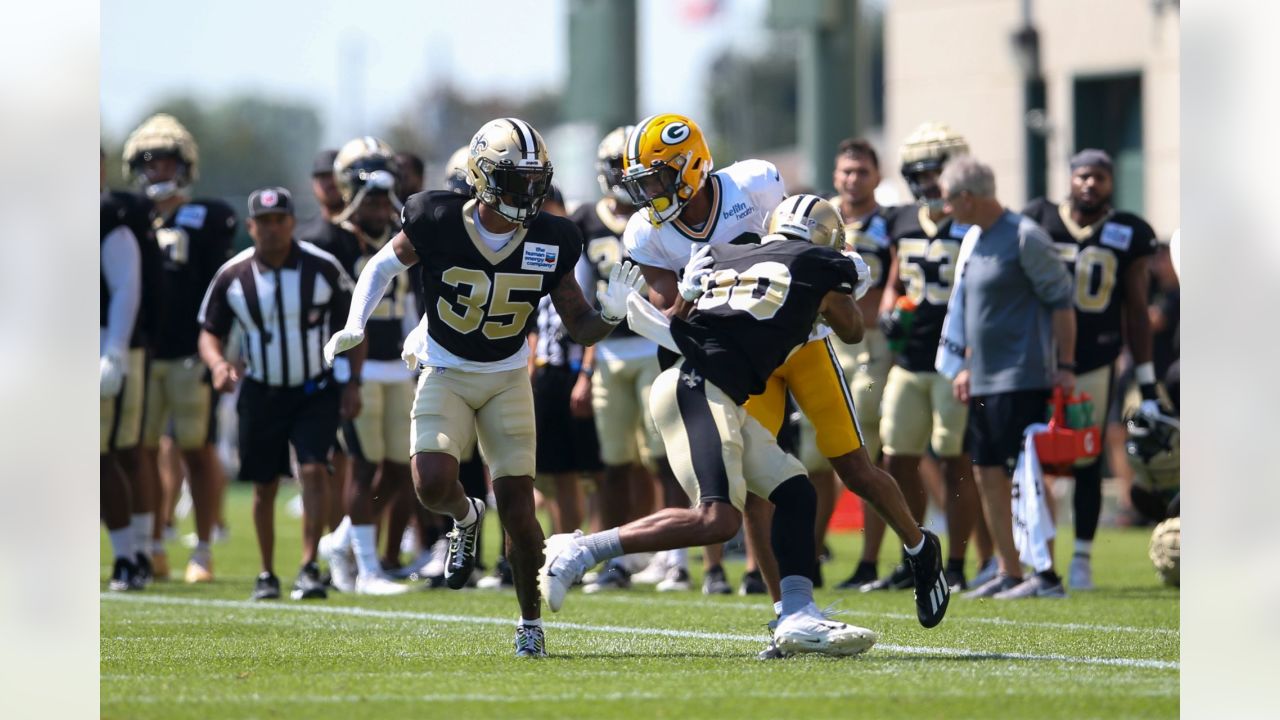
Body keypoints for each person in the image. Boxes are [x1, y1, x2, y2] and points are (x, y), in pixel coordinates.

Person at [540, 201, 949, 657]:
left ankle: (796, 613)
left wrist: (661, 303)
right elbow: (852, 315)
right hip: (697, 388)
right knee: (717, 518)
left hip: (704, 382)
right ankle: (579, 551)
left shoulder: (727, 255)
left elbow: (685, 331)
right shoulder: (818, 261)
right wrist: (846, 264)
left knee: (795, 490)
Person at [324, 118, 625, 657]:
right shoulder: (436, 217)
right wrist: (355, 323)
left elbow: (580, 324)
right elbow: (381, 266)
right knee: (431, 483)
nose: (528, 191)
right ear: (483, 177)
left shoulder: (553, 237)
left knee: (519, 510)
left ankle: (530, 625)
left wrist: (613, 315)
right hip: (446, 367)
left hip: (509, 375)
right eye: (516, 178)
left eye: (536, 179)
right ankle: (465, 518)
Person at [623, 114, 944, 610]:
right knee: (757, 488)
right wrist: (687, 292)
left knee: (855, 467)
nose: (650, 194)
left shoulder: (753, 185)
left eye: (658, 179)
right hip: (745, 360)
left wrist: (842, 261)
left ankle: (920, 546)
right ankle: (786, 612)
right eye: (643, 183)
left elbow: (808, 226)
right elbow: (670, 317)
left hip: (802, 340)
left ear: (689, 167)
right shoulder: (647, 233)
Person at [197, 186, 354, 602]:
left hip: (313, 388)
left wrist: (351, 383)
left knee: (315, 470)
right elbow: (210, 332)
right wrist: (218, 365)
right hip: (262, 390)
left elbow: (352, 330)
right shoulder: (233, 275)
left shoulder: (322, 268)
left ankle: (308, 566)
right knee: (264, 484)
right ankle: (266, 572)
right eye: (263, 222)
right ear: (250, 227)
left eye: (279, 220)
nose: (271, 229)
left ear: (292, 223)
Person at [1022, 149, 1160, 591]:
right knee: (1027, 459)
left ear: (1111, 182)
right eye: (1083, 175)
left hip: (1093, 363)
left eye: (1099, 177)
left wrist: (1145, 377)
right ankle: (1034, 556)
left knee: (1085, 457)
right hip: (1036, 361)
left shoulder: (1129, 232)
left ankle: (1080, 556)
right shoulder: (1038, 218)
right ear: (1069, 177)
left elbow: (1136, 310)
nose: (1090, 184)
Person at [941, 157, 1076, 600]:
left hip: (1024, 376)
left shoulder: (1024, 236)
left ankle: (1048, 573)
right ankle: (1010, 569)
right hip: (983, 379)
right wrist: (963, 365)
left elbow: (1061, 301)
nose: (944, 208)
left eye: (948, 199)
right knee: (986, 474)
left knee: (1028, 478)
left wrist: (1067, 366)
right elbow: (973, 312)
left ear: (967, 198)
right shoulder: (974, 239)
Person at [858, 123, 983, 592]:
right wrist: (889, 306)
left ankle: (956, 563)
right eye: (918, 173)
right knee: (896, 458)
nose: (926, 182)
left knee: (956, 461)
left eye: (934, 172)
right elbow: (892, 277)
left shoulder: (971, 221)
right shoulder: (901, 219)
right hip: (908, 359)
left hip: (954, 360)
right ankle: (915, 554)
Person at [122, 113, 237, 584]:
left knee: (197, 448)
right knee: (143, 449)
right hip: (145, 350)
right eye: (148, 162)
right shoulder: (129, 214)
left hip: (190, 350)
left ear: (184, 164)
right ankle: (152, 543)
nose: (157, 170)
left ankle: (203, 549)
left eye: (166, 160)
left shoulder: (207, 214)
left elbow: (218, 282)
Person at [307, 137, 412, 596]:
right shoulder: (327, 241)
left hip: (398, 364)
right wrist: (341, 375)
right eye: (366, 191)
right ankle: (368, 570)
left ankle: (344, 540)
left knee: (399, 468)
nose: (375, 203)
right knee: (364, 467)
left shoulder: (406, 232)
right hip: (358, 370)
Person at [570, 126, 667, 594]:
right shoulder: (586, 219)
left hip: (653, 345)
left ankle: (673, 555)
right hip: (609, 350)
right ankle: (613, 557)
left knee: (662, 457)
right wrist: (585, 369)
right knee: (614, 463)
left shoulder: (659, 215)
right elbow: (583, 302)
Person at [820, 138, 897, 590]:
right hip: (823, 340)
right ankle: (810, 554)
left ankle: (868, 561)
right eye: (846, 171)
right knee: (813, 456)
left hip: (871, 344)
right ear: (835, 175)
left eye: (862, 172)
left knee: (866, 454)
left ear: (877, 176)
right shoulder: (814, 214)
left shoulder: (890, 223)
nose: (853, 179)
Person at [101, 149, 151, 591]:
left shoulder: (107, 216)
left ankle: (127, 557)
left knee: (102, 455)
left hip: (99, 341)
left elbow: (124, 289)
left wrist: (114, 348)